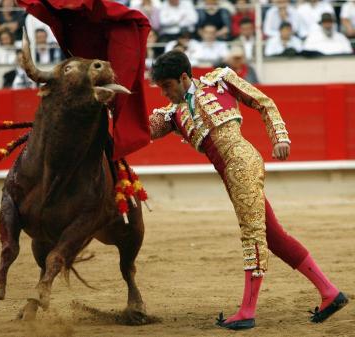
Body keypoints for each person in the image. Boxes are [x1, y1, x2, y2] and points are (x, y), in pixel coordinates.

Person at [148, 50, 348, 330]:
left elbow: (264, 102)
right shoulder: (172, 114)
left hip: (242, 162)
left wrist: (279, 137)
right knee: (274, 237)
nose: (164, 94)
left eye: (166, 86)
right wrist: (115, 103)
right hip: (230, 173)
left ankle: (247, 311)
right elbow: (142, 131)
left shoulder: (220, 79)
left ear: (183, 77)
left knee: (252, 234)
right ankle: (330, 293)